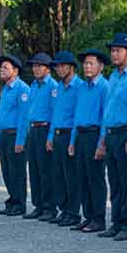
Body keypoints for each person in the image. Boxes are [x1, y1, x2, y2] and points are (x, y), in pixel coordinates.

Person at [99, 34, 127, 239]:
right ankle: (116, 222)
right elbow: (108, 109)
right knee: (114, 181)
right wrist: (102, 139)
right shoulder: (113, 76)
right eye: (113, 50)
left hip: (126, 132)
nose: (114, 54)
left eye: (118, 50)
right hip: (111, 133)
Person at [70, 49, 109, 232]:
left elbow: (105, 117)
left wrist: (102, 142)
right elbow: (77, 116)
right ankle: (88, 216)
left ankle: (98, 218)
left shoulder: (104, 87)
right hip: (81, 135)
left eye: (91, 63)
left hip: (94, 135)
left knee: (95, 178)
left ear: (100, 66)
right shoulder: (82, 87)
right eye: (85, 63)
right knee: (82, 177)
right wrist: (72, 141)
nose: (87, 66)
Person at [47, 51, 82, 227]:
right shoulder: (59, 87)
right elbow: (55, 113)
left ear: (71, 67)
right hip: (58, 133)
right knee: (58, 174)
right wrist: (50, 135)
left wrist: (73, 141)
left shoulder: (79, 87)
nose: (59, 69)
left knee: (71, 176)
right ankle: (64, 209)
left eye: (62, 66)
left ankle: (74, 212)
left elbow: (78, 116)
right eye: (57, 66)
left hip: (70, 133)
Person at [22, 53, 58, 222]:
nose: (36, 69)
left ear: (48, 68)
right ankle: (38, 205)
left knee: (46, 170)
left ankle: (49, 207)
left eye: (39, 66)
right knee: (34, 169)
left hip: (45, 129)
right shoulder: (34, 85)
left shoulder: (53, 86)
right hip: (33, 129)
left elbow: (54, 113)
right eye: (34, 66)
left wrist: (50, 137)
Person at [0, 53, 31, 216]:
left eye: (5, 68)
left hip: (15, 135)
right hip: (4, 135)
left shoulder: (22, 89)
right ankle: (12, 199)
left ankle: (19, 203)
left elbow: (24, 117)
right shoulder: (6, 89)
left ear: (15, 71)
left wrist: (21, 140)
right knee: (7, 171)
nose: (2, 70)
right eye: (1, 67)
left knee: (17, 171)